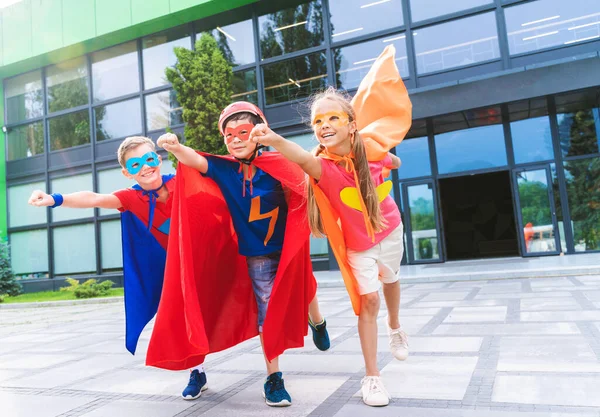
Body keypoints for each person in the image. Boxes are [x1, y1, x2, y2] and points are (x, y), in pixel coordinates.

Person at [248, 45, 412, 407]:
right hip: (358, 246)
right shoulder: (325, 170)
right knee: (368, 302)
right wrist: (273, 139)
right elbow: (302, 157)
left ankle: (396, 326)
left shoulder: (367, 149)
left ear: (350, 124)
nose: (324, 125)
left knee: (392, 281)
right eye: (318, 121)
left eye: (333, 118)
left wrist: (379, 153)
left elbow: (394, 160)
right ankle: (372, 377)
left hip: (390, 231)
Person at [27, 136, 250, 401]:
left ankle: (274, 364)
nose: (145, 167)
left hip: (208, 259)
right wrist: (53, 199)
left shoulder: (183, 180)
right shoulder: (131, 198)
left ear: (158, 158)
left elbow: (221, 192)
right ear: (126, 172)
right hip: (175, 270)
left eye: (149, 159)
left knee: (239, 298)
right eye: (135, 165)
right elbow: (95, 198)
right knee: (183, 318)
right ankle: (196, 370)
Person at [154, 101, 330, 407]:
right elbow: (196, 161)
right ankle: (274, 378)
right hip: (257, 256)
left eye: (243, 132)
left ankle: (318, 321)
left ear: (258, 133)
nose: (235, 139)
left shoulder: (279, 161)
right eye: (228, 135)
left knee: (306, 288)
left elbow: (310, 178)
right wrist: (175, 147)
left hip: (287, 246)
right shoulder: (225, 168)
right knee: (268, 310)